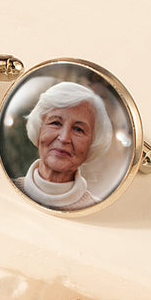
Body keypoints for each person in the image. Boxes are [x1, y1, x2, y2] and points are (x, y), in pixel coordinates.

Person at [14, 81, 113, 211]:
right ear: (39, 130)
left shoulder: (97, 211)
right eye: (55, 123)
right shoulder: (7, 187)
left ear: (92, 144)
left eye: (78, 129)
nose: (64, 138)